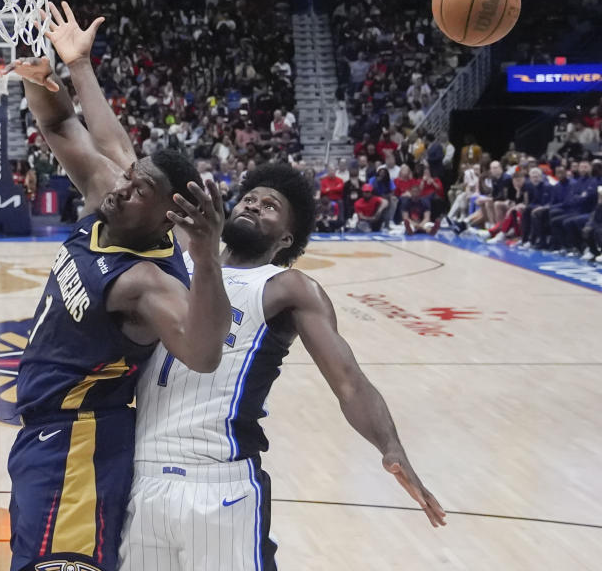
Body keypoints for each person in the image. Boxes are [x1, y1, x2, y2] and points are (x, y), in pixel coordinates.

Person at [121, 164, 445, 570]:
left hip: (220, 485)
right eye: (250, 198)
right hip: (142, 476)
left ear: (286, 237)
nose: (254, 206)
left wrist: (390, 446)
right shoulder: (175, 261)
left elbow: (348, 382)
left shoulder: (287, 288)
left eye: (270, 205)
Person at [4, 0, 232, 571]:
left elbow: (203, 352)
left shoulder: (146, 284)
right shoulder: (113, 198)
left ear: (169, 219)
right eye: (131, 178)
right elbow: (61, 123)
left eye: (140, 189)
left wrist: (206, 257)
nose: (124, 186)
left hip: (78, 441)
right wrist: (50, 75)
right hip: (48, 436)